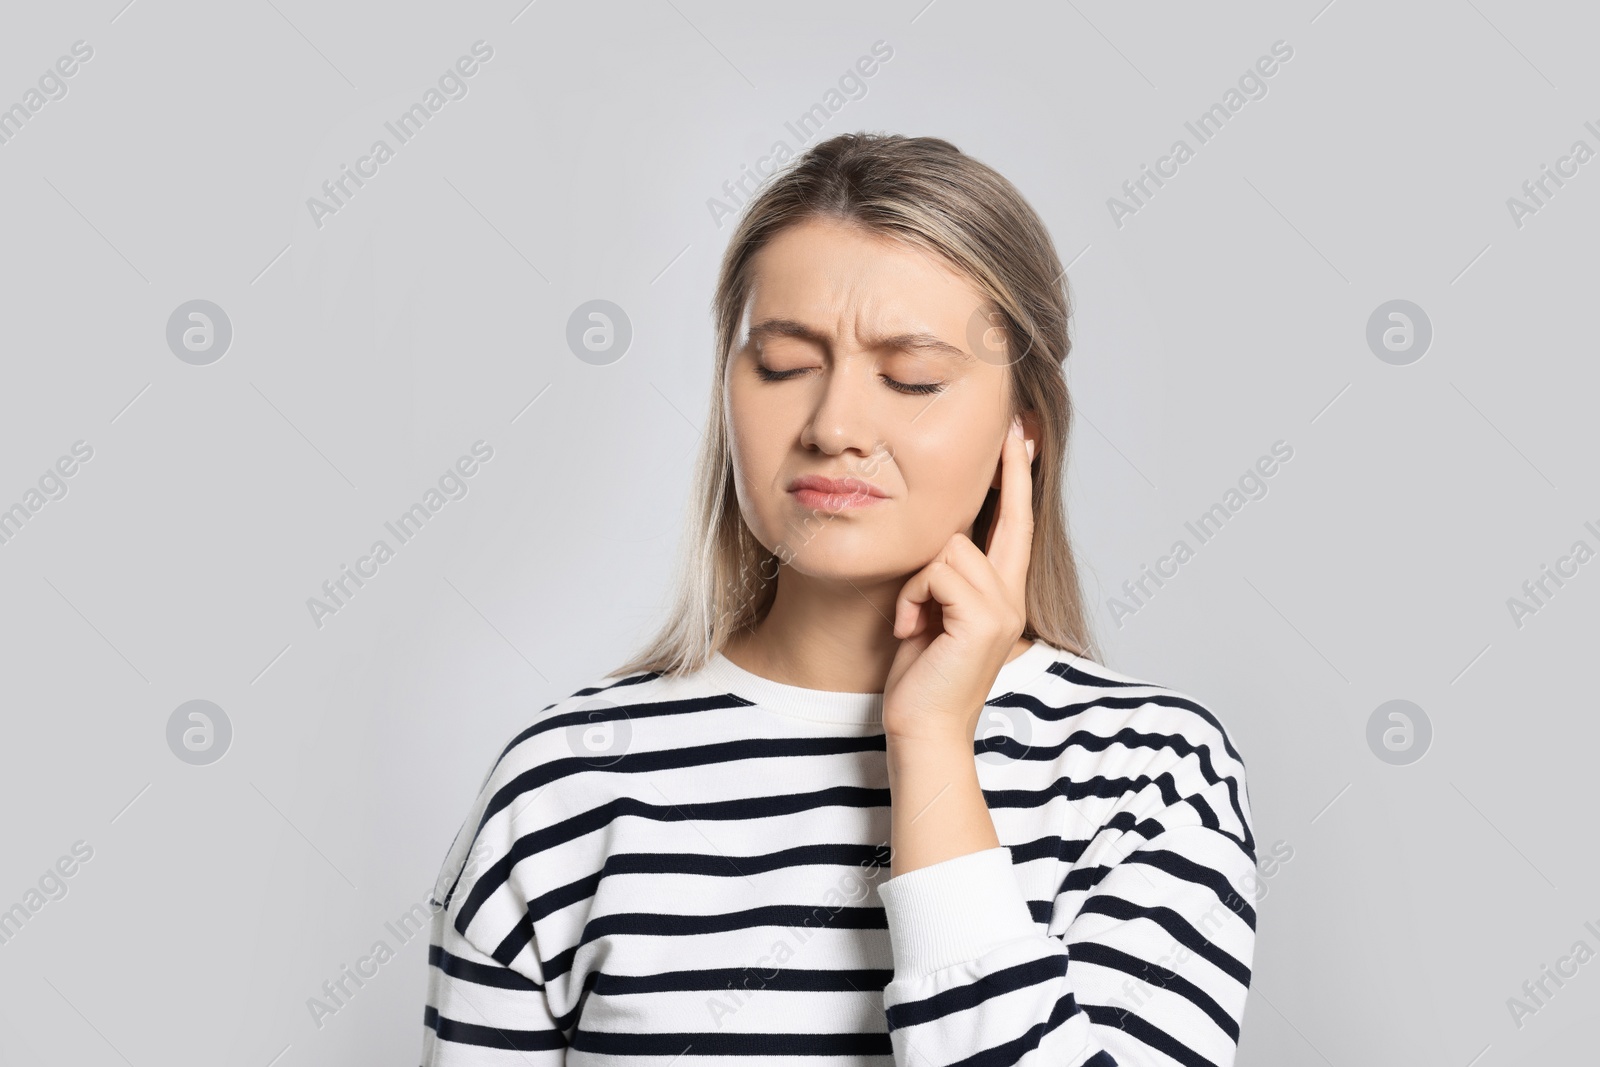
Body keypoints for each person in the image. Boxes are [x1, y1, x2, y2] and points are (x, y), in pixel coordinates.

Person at [421, 132, 1256, 1065]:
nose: (834, 426)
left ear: (1023, 431)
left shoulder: (1147, 772)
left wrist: (933, 742)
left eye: (913, 378)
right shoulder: (562, 782)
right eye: (782, 363)